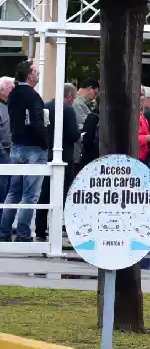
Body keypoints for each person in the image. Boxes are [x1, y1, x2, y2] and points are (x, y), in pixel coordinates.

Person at [0, 61, 45, 243]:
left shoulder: (13, 95)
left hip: (15, 147)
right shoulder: (33, 97)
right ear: (30, 76)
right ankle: (23, 234)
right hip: (33, 148)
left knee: (14, 191)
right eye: (37, 73)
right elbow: (37, 122)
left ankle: (4, 232)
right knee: (30, 195)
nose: (39, 75)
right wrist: (45, 142)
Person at [35, 84, 81, 241]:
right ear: (69, 96)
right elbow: (73, 134)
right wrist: (80, 135)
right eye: (73, 98)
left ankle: (40, 230)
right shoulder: (67, 110)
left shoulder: (45, 106)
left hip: (46, 154)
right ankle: (64, 226)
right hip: (64, 156)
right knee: (66, 192)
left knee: (45, 193)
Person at [0, 76, 12, 207]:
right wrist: (3, 154)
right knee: (2, 190)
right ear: (2, 90)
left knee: (8, 190)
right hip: (3, 152)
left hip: (9, 151)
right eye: (11, 88)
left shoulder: (9, 106)